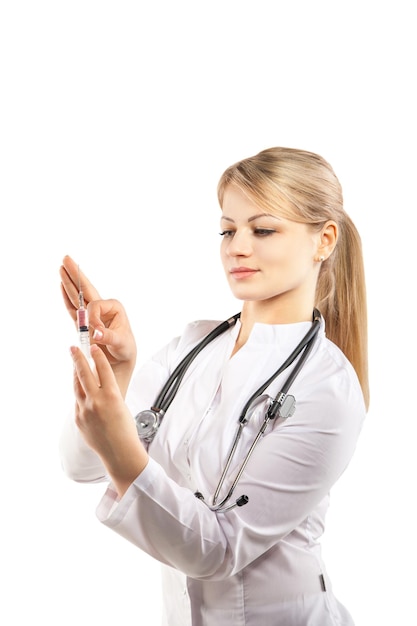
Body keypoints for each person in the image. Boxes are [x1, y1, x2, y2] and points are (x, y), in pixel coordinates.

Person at [59, 146, 369, 626]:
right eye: (227, 230)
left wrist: (121, 446)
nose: (236, 247)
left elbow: (218, 550)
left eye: (262, 229)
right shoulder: (193, 347)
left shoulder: (328, 390)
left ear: (323, 240)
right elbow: (81, 467)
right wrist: (114, 375)